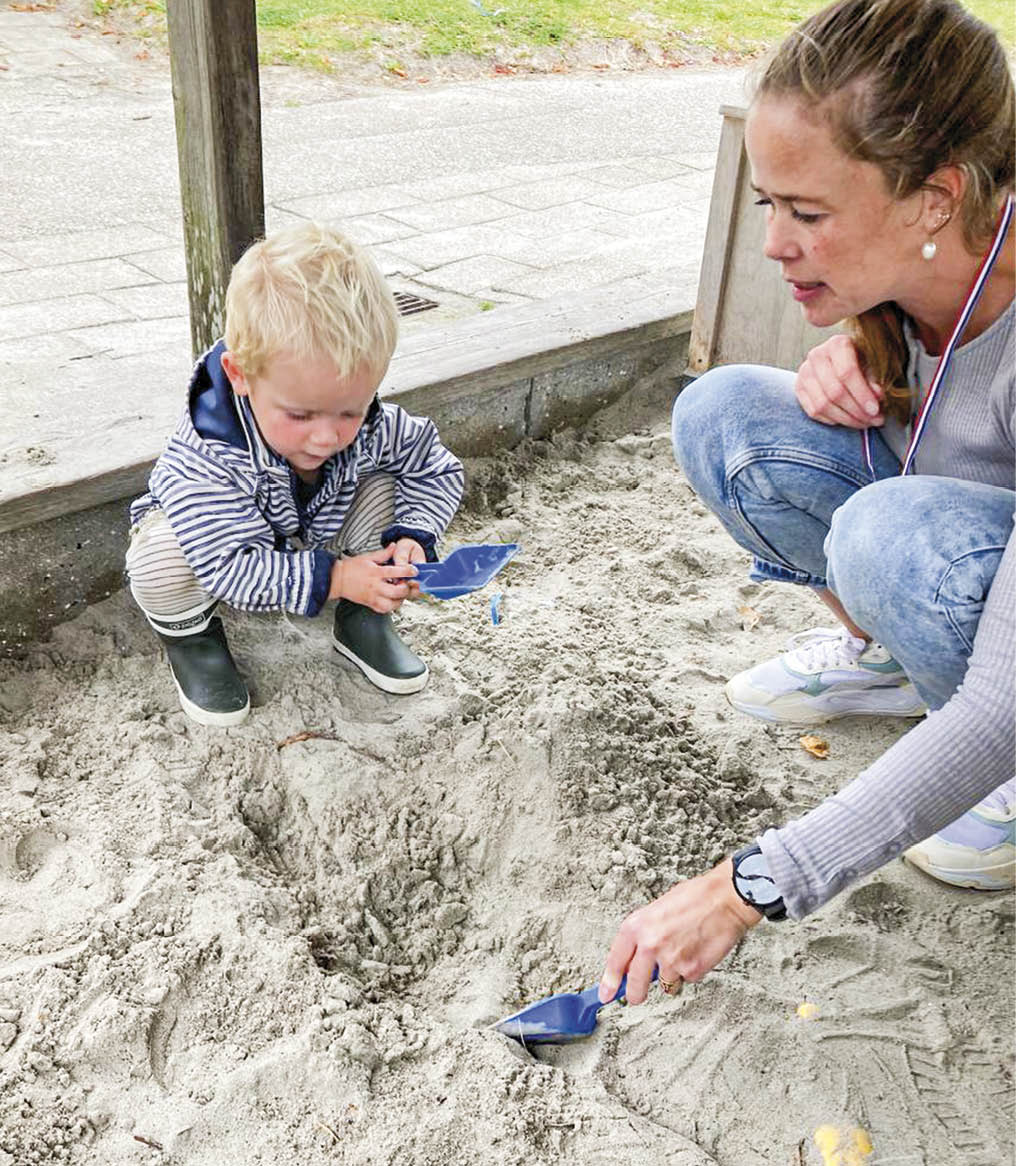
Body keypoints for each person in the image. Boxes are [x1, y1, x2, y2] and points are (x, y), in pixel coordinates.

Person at [600, 0, 1014, 1007]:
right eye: (766, 207)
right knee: (726, 412)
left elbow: (1004, 698)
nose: (778, 244)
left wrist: (746, 888)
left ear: (932, 199)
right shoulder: (917, 265)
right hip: (956, 556)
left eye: (809, 214)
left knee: (887, 538)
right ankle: (888, 665)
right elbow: (935, 416)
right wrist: (844, 358)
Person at [125, 222, 464, 727]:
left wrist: (413, 535)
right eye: (302, 415)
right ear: (241, 376)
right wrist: (339, 577)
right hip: (218, 550)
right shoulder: (209, 457)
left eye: (349, 411)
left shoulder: (370, 425)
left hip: (308, 536)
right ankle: (190, 637)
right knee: (160, 564)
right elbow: (228, 570)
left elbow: (434, 468)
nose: (327, 437)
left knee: (387, 481)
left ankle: (362, 614)